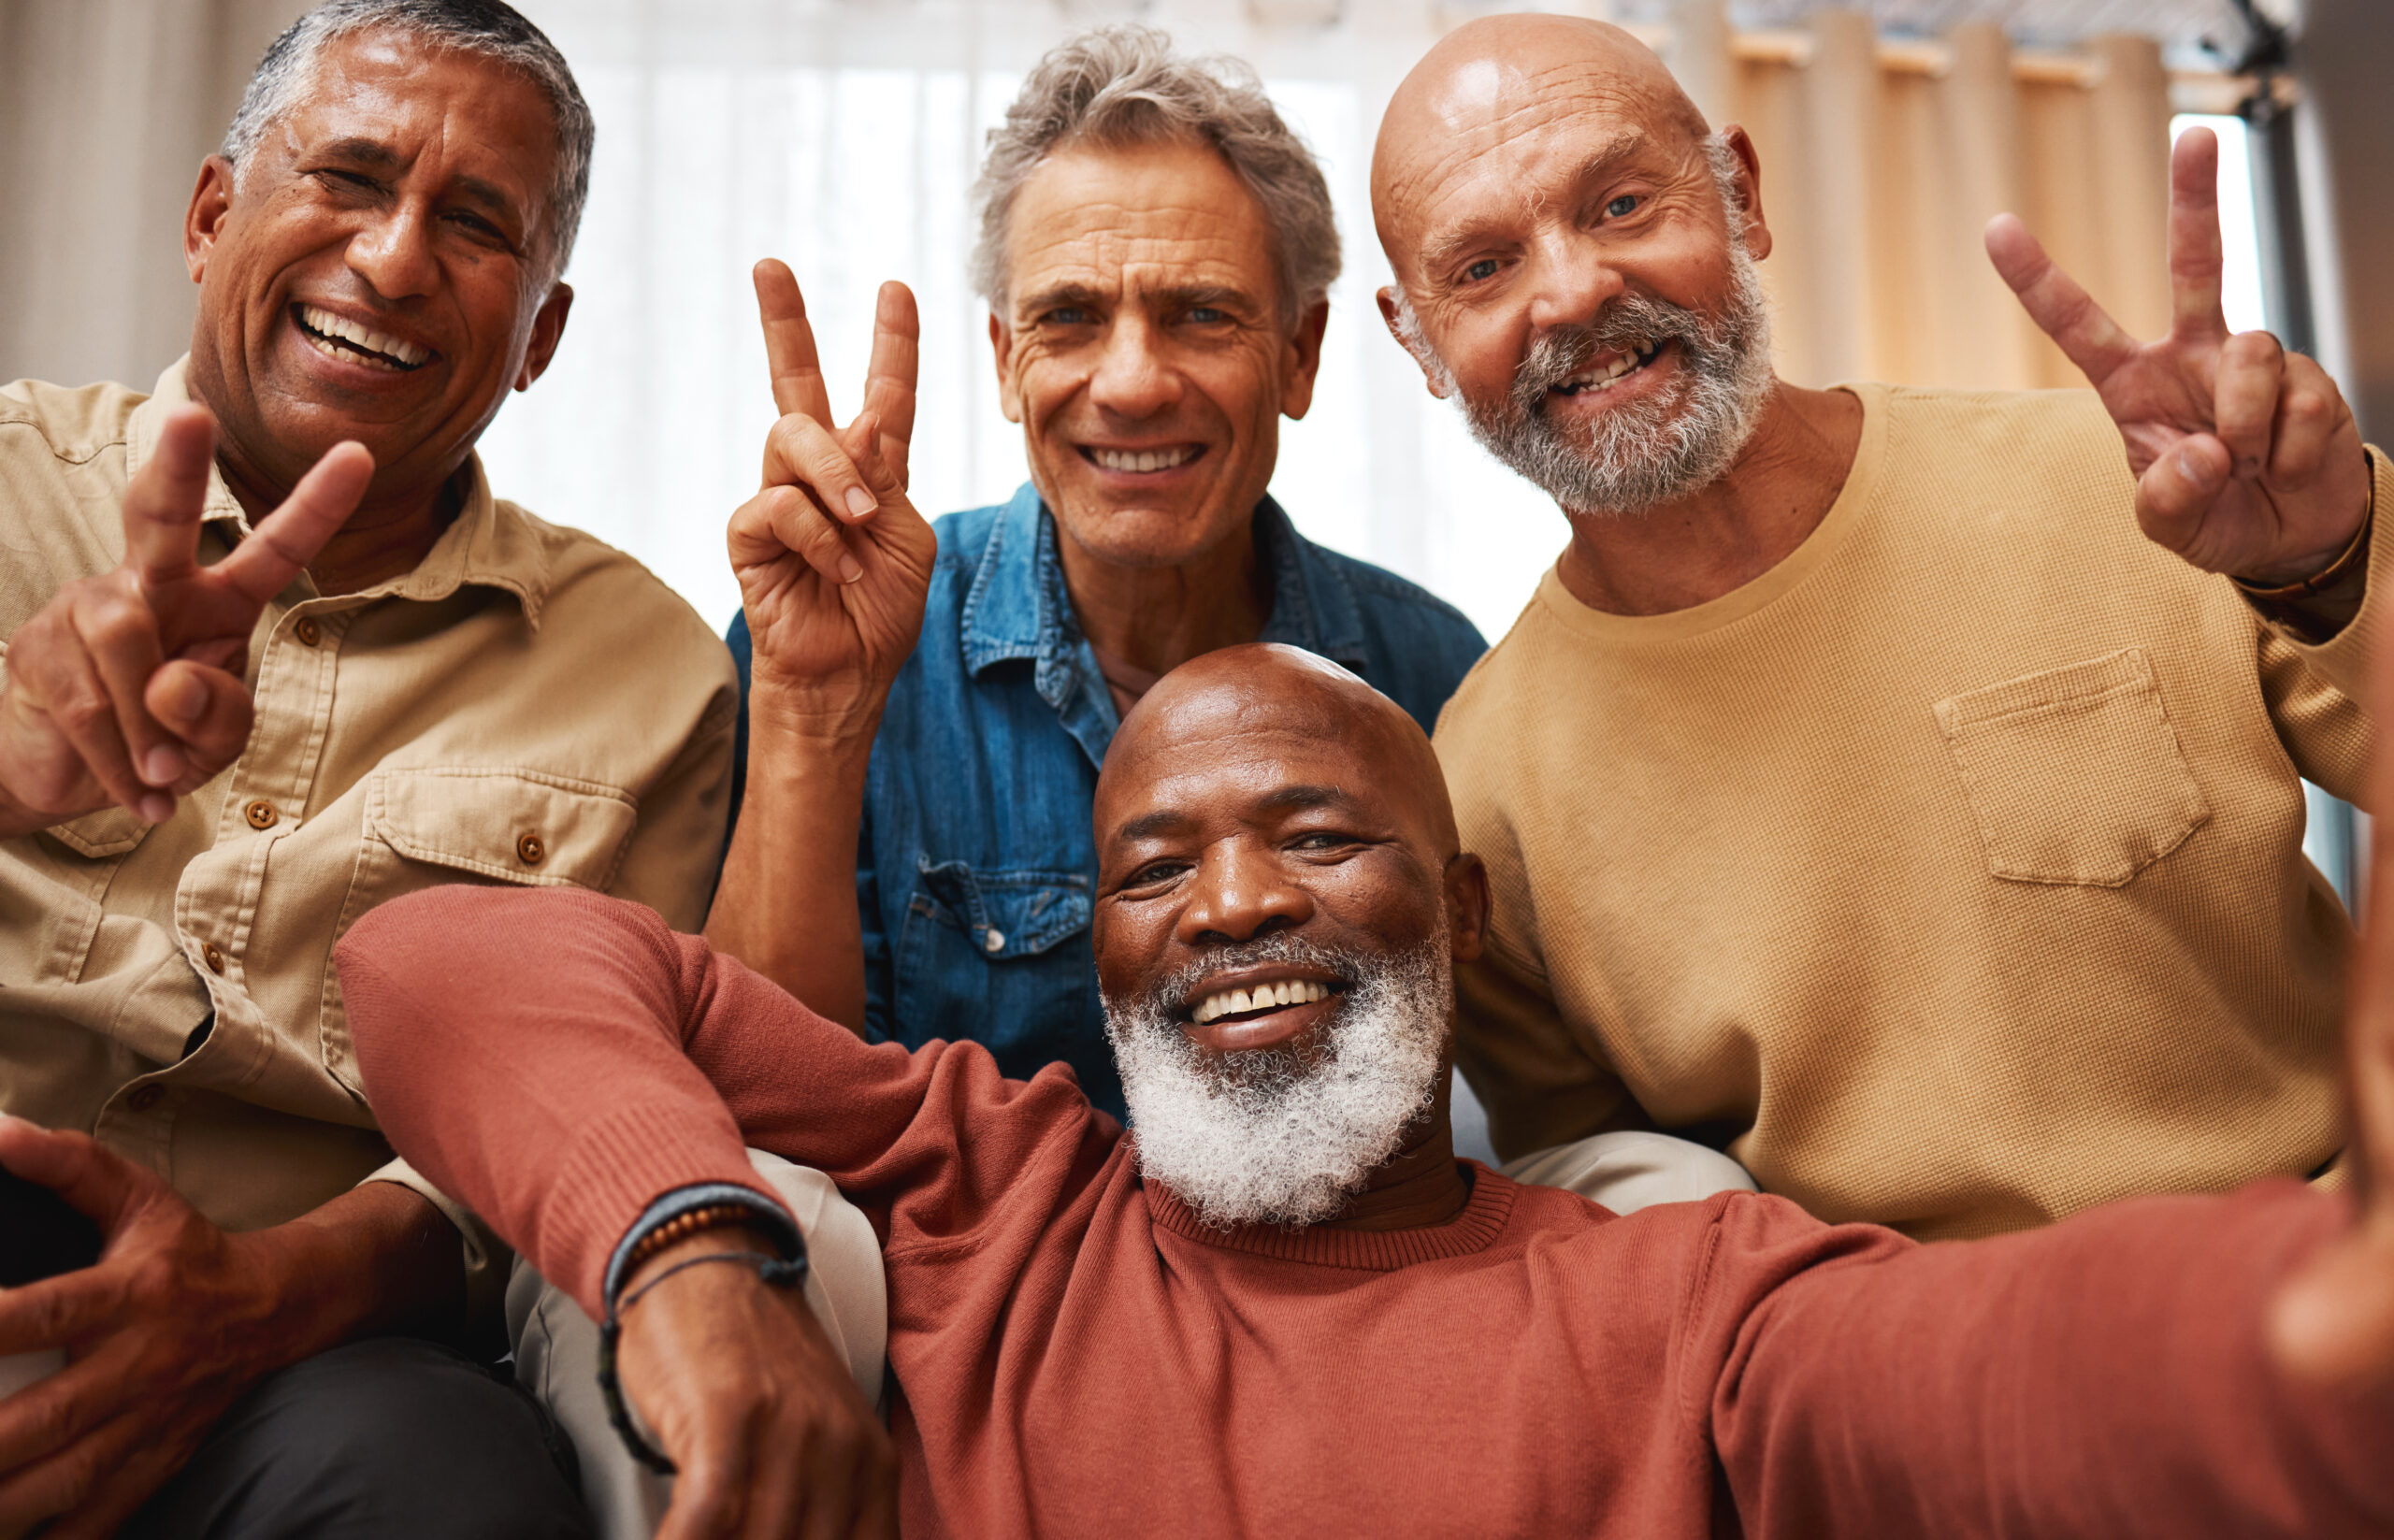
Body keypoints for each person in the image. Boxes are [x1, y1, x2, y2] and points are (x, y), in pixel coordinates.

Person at [334, 630, 2394, 1537]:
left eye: (1316, 836)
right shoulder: (988, 1175)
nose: (1229, 901)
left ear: (1460, 912)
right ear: (1099, 945)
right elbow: (437, 956)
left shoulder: (1679, 1300)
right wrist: (692, 1250)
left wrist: (2302, 1328)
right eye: (1150, 865)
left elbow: (1981, 1375)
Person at [1369, 14, 2385, 1238]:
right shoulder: (1480, 800)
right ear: (1415, 340)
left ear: (1739, 195)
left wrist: (2329, 567)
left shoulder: (2162, 490)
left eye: (1624, 203)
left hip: (2329, 1299)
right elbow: (1644, 1241)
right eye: (1480, 270)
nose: (1573, 290)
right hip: (1913, 1398)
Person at [0, 2, 734, 1533]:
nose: (396, 260)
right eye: (348, 176)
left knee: (447, 1473)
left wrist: (264, 1295)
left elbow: (600, 1112)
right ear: (212, 218)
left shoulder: (651, 674)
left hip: (309, 1343)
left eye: (475, 223)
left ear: (540, 335)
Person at [714, 26, 1487, 1120]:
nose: (1128, 384)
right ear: (1002, 361)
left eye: (1201, 315)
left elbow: (1512, 1102)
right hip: (960, 1281)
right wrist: (810, 711)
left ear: (1299, 354)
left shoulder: (1430, 669)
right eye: (1069, 318)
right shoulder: (839, 635)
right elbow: (771, 1122)